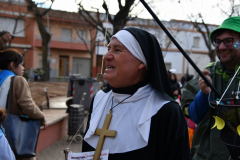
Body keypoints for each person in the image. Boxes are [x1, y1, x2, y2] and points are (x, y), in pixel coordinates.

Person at [82, 28, 191, 159]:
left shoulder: (166, 111)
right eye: (109, 48)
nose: (106, 56)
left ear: (141, 62)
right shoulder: (99, 99)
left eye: (117, 50)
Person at [181, 16, 240, 160]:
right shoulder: (209, 73)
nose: (221, 47)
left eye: (228, 41)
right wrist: (203, 93)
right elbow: (194, 115)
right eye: (218, 42)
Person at [0, 49, 46, 160]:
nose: (23, 68)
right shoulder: (18, 80)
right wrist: (41, 116)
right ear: (12, 65)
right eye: (21, 65)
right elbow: (27, 105)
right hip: (12, 132)